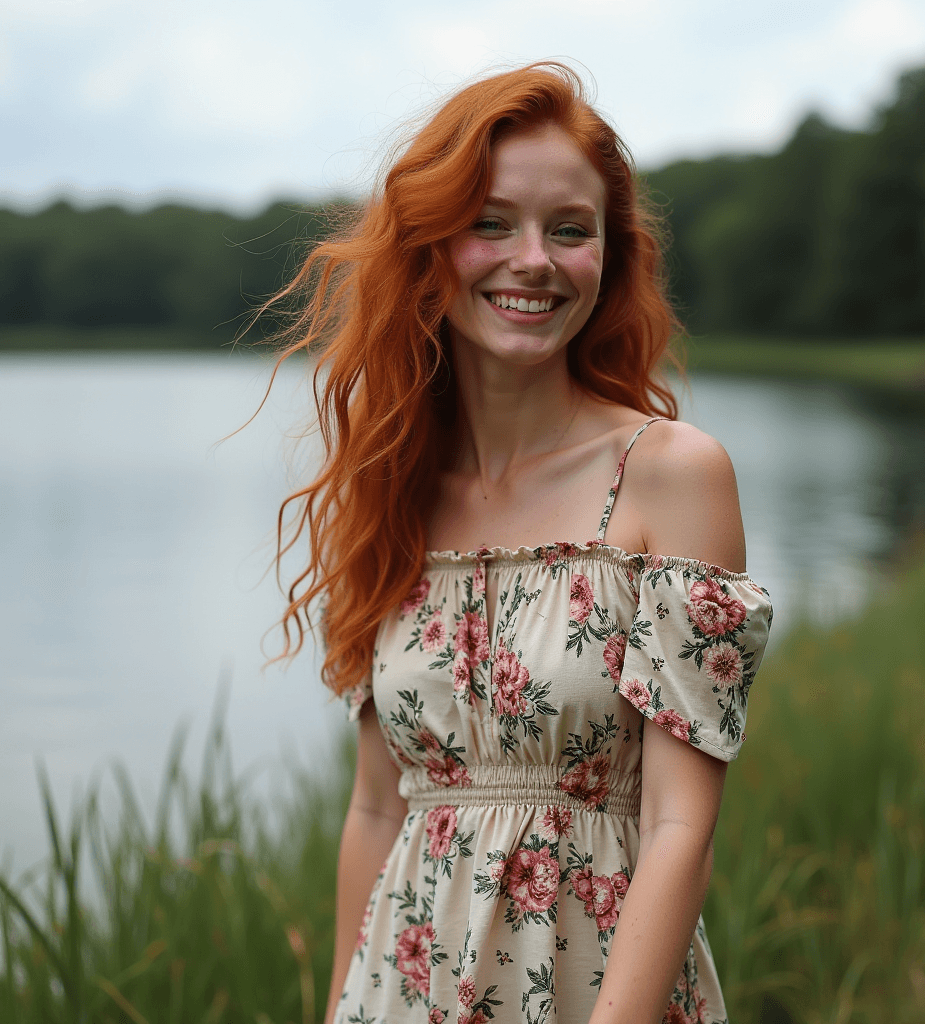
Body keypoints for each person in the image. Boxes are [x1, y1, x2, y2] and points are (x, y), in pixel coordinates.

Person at [272, 61, 772, 1024]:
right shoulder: (391, 492)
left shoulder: (671, 475)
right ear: (431, 248)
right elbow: (378, 807)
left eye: (570, 230)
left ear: (608, 260)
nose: (533, 259)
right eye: (491, 222)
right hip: (401, 993)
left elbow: (680, 824)